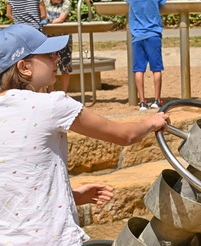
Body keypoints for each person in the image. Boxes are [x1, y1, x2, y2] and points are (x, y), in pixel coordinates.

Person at [0, 24, 170, 245]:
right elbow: (124, 135)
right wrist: (151, 122)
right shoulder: (52, 105)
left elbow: (13, 177)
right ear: (24, 67)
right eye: (49, 54)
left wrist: (73, 195)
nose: (57, 59)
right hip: (51, 238)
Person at [126, 0, 168, 110]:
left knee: (139, 69)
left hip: (137, 36)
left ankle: (142, 102)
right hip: (153, 35)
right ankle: (156, 100)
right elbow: (165, 1)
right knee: (156, 68)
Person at [44, 0, 73, 92]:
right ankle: (51, 93)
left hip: (64, 38)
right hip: (49, 39)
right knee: (51, 67)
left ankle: (64, 93)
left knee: (66, 67)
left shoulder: (66, 3)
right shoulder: (44, 3)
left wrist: (48, 23)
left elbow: (60, 19)